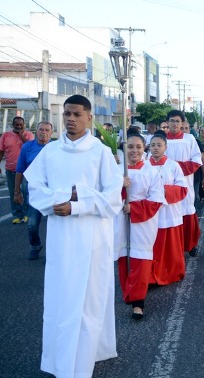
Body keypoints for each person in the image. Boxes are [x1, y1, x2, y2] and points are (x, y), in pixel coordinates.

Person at [24, 94, 123, 377]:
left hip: (92, 238)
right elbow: (36, 191)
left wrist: (78, 206)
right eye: (67, 113)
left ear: (89, 118)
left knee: (90, 301)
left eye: (77, 114)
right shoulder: (51, 152)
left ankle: (85, 359)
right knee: (61, 300)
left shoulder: (101, 152)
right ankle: (62, 359)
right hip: (61, 239)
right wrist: (69, 195)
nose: (70, 118)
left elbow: (112, 200)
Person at [115, 132, 164, 319]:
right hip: (120, 218)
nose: (134, 150)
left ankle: (138, 301)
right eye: (130, 146)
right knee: (124, 257)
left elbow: (157, 199)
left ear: (144, 149)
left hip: (142, 221)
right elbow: (105, 197)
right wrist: (119, 186)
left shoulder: (151, 171)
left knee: (140, 259)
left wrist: (134, 208)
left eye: (138, 147)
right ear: (123, 148)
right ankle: (128, 292)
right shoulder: (116, 171)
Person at [148, 130, 188, 285]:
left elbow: (183, 188)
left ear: (166, 147)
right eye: (152, 145)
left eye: (159, 145)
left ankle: (172, 272)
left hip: (170, 212)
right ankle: (152, 275)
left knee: (170, 246)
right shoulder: (144, 165)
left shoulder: (173, 165)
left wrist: (164, 190)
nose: (156, 148)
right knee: (152, 245)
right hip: (151, 213)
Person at [165, 110, 203, 257]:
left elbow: (196, 161)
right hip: (166, 184)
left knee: (186, 211)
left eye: (177, 121)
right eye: (172, 121)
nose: (175, 124)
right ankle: (173, 247)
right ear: (167, 122)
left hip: (185, 182)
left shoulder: (189, 139)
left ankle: (190, 244)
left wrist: (174, 168)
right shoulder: (161, 140)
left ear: (182, 123)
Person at [13, 121, 53, 260]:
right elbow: (19, 170)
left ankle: (54, 252)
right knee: (32, 224)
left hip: (53, 191)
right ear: (36, 131)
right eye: (41, 129)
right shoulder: (27, 147)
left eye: (47, 130)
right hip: (34, 192)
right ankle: (35, 245)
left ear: (51, 133)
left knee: (56, 225)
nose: (44, 132)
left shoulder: (56, 147)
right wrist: (17, 191)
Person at [0, 116, 35, 224]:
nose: (19, 126)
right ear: (13, 125)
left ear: (24, 125)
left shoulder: (29, 135)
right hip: (10, 169)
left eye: (21, 125)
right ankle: (17, 215)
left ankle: (26, 214)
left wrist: (21, 135)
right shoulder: (5, 135)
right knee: (13, 193)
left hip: (26, 170)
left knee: (25, 191)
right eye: (17, 125)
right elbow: (1, 151)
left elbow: (30, 147)